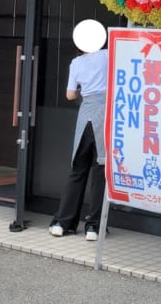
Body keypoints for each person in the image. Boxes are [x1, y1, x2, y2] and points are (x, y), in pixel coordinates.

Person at [49, 19, 108, 241]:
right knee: (100, 170)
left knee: (77, 168)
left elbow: (70, 95)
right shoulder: (108, 55)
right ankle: (94, 226)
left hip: (86, 115)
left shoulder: (76, 63)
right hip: (106, 114)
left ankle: (63, 223)